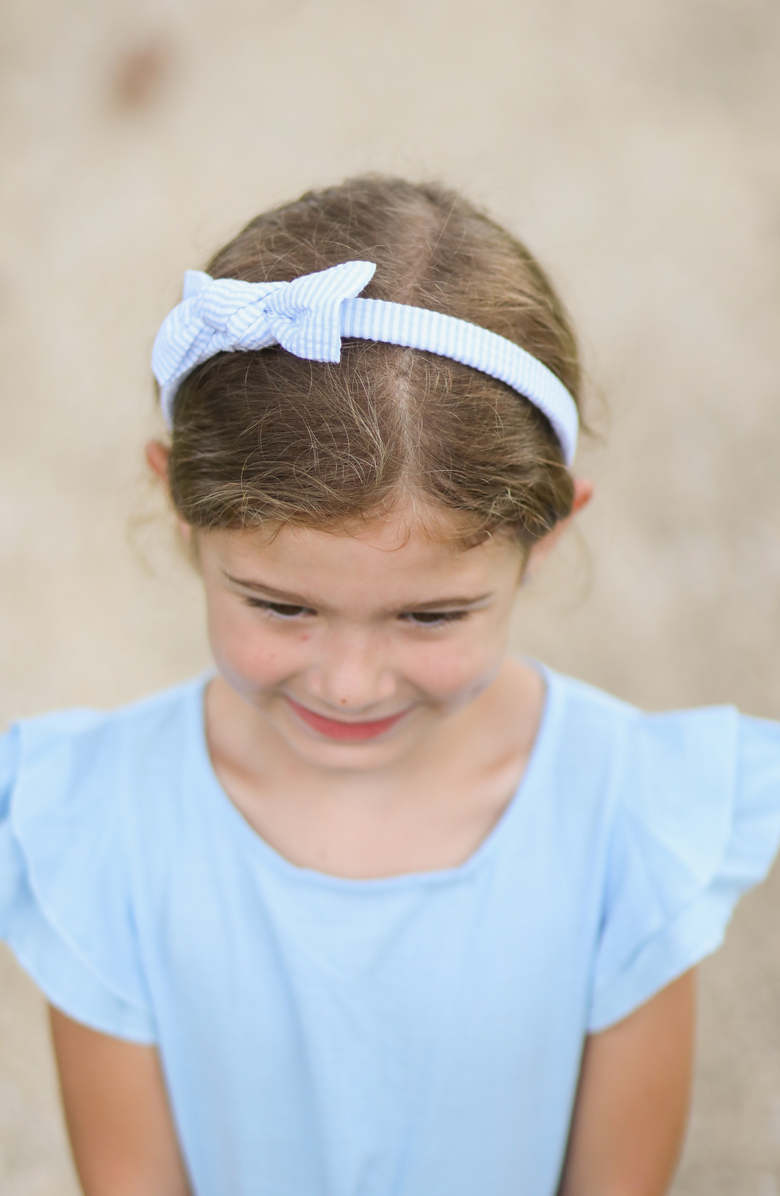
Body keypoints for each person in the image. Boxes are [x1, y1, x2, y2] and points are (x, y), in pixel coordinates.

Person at [1, 176, 779, 1196]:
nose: (353, 681)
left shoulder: (626, 821)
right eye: (280, 605)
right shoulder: (102, 828)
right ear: (179, 503)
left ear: (546, 539)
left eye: (431, 614)